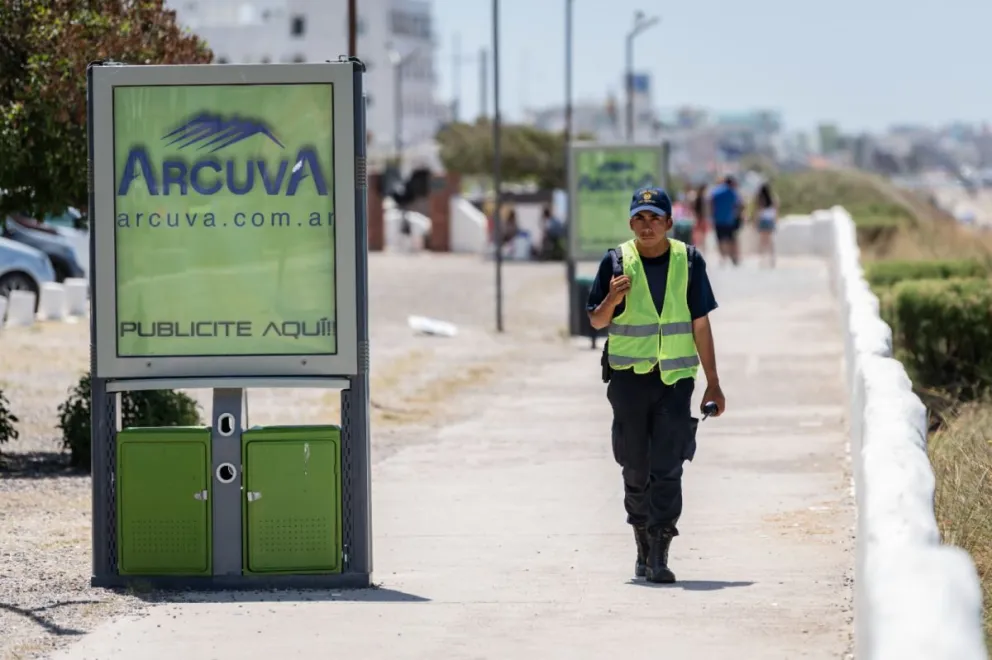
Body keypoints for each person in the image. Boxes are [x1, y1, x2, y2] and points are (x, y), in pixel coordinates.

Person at [585, 186, 726, 584]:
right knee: (635, 466)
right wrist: (611, 300)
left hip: (675, 381)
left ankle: (660, 549)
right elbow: (596, 321)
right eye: (640, 218)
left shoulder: (689, 261)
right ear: (631, 223)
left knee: (668, 466)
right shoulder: (616, 261)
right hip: (629, 380)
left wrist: (713, 383)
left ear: (668, 222)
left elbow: (700, 324)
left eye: (655, 218)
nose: (647, 226)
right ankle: (642, 541)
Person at [708, 176, 743, 266]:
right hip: (729, 220)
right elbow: (738, 205)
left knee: (720, 240)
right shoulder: (733, 192)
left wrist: (711, 216)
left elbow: (711, 204)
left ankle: (722, 257)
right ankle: (734, 257)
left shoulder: (716, 191)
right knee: (731, 239)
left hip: (718, 219)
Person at [754, 180, 777, 268]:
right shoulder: (773, 199)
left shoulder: (760, 199)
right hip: (770, 221)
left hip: (763, 220)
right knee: (770, 240)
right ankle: (771, 258)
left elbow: (758, 212)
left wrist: (756, 222)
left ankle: (762, 259)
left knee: (762, 241)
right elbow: (775, 211)